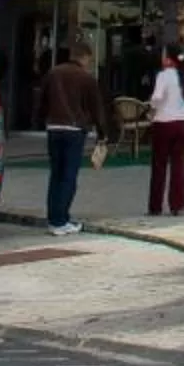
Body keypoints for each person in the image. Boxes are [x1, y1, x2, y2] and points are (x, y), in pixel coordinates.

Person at [37, 40, 113, 234]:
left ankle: (54, 218)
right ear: (85, 57)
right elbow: (96, 108)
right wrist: (102, 134)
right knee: (68, 176)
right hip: (74, 129)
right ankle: (61, 220)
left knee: (56, 174)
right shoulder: (86, 78)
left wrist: (43, 119)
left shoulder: (53, 73)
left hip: (54, 127)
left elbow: (42, 100)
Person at [144, 45, 184, 218]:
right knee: (179, 165)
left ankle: (155, 207)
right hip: (183, 124)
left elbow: (156, 97)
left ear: (169, 58)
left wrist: (153, 107)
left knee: (159, 166)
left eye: (164, 55)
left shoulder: (164, 75)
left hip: (163, 123)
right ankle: (177, 205)